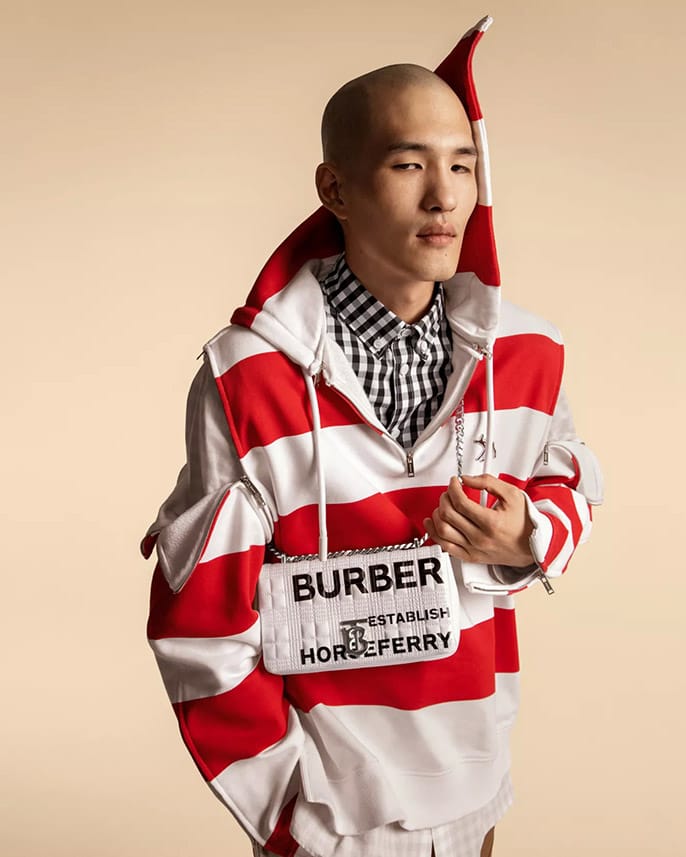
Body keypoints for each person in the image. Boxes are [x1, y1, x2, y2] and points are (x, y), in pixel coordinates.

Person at [140, 16, 603, 857]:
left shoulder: (527, 353)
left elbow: (573, 479)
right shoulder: (247, 377)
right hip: (325, 814)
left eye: (462, 164)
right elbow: (201, 621)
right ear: (336, 189)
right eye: (408, 164)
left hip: (475, 787)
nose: (444, 196)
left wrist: (529, 533)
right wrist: (287, 814)